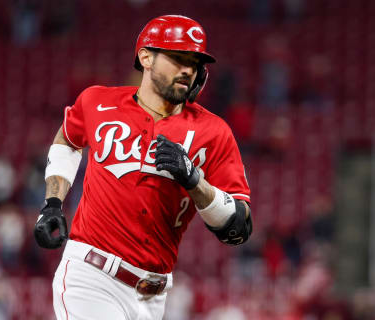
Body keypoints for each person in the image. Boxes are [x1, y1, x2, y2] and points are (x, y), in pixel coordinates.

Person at [33, 15, 253, 320]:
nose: (188, 69)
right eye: (178, 58)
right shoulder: (98, 102)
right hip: (91, 277)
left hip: (153, 296)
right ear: (146, 57)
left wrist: (195, 181)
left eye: (195, 62)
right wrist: (53, 202)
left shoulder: (214, 132)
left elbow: (238, 228)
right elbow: (68, 139)